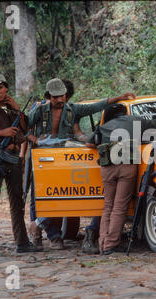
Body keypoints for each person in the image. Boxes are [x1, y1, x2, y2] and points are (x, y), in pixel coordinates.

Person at [27, 78, 135, 249]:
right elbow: (23, 126)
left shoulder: (72, 109)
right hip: (43, 156)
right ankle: (50, 235)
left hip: (63, 157)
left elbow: (97, 106)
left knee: (63, 195)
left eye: (62, 96)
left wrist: (118, 97)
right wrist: (34, 139)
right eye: (55, 97)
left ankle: (45, 228)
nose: (60, 100)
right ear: (49, 96)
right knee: (41, 195)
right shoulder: (39, 110)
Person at [0, 73, 42, 258]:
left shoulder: (11, 109)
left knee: (17, 203)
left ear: (6, 88)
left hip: (13, 158)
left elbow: (24, 129)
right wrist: (2, 132)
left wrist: (18, 110)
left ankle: (22, 243)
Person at [85, 104, 156, 255]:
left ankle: (102, 243)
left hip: (107, 167)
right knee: (120, 206)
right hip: (126, 166)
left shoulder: (103, 126)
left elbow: (89, 143)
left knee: (108, 205)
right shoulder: (135, 120)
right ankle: (111, 244)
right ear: (125, 112)